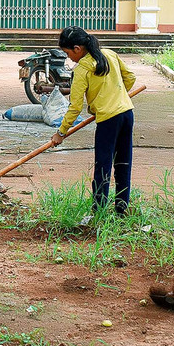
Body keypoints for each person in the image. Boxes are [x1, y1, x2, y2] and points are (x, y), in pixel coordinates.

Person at [50, 27, 136, 215]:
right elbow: (130, 77)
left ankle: (98, 211)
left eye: (68, 53)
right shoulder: (109, 54)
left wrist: (61, 132)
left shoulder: (82, 69)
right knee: (123, 163)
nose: (69, 58)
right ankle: (122, 209)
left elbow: (75, 107)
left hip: (108, 121)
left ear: (77, 48)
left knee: (103, 166)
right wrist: (118, 95)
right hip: (127, 113)